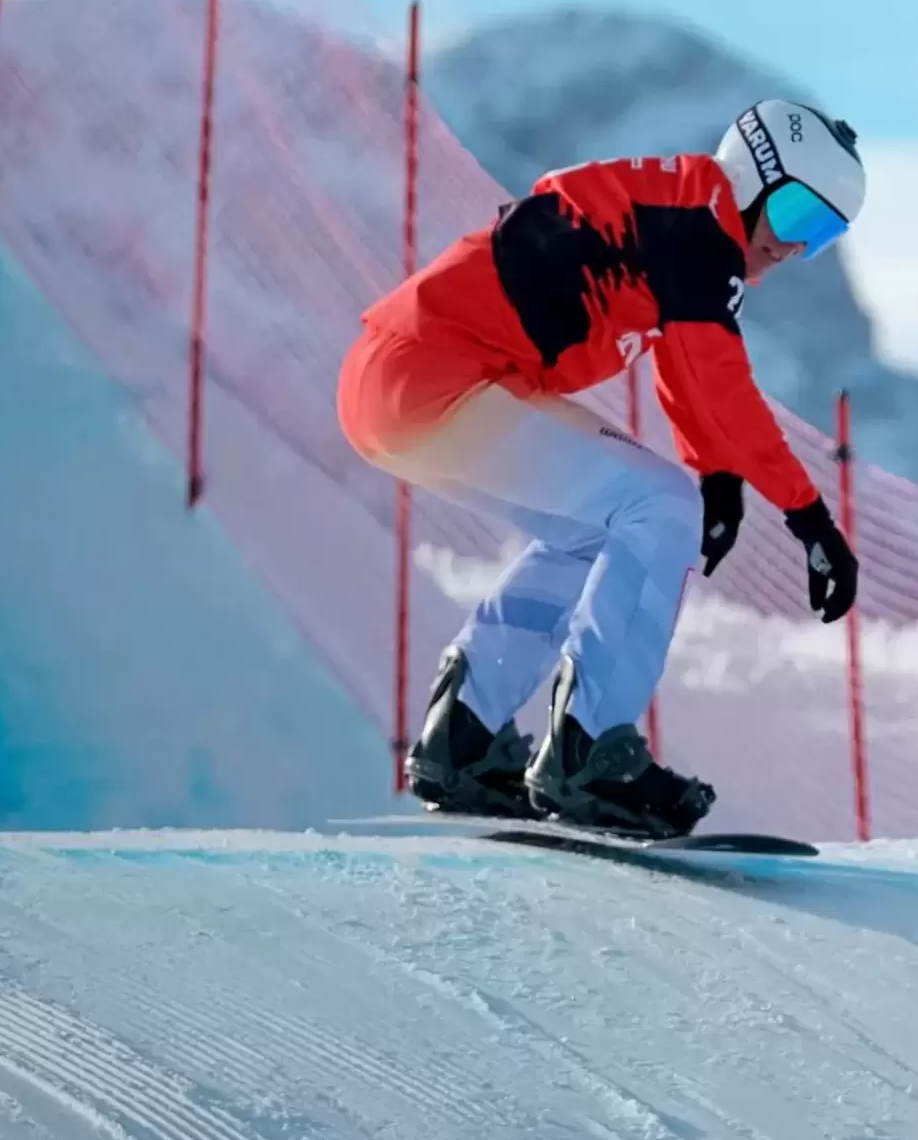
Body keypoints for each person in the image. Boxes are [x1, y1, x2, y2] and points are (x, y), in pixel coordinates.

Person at [335, 99, 865, 836]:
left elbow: (682, 366)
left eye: (825, 235)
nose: (796, 247)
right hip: (433, 375)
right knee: (656, 507)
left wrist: (718, 474)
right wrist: (807, 514)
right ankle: (588, 749)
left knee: (599, 526)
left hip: (404, 381)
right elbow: (716, 377)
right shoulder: (699, 224)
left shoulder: (683, 219)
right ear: (756, 176)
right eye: (801, 216)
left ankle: (465, 736)